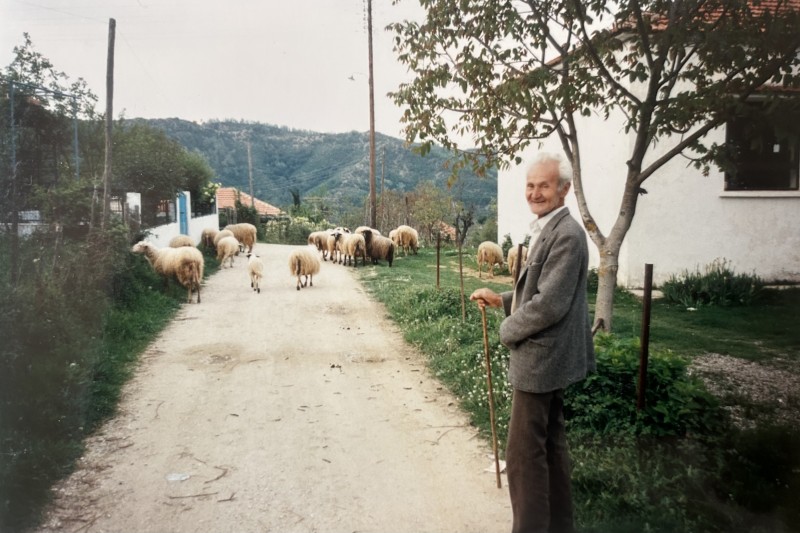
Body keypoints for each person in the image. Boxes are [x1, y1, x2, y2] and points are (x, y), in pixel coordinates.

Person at [470, 151, 595, 533]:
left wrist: (508, 329)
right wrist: (502, 300)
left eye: (544, 185)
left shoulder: (567, 235)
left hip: (542, 359)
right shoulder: (550, 227)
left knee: (523, 455)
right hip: (549, 357)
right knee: (550, 447)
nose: (535, 193)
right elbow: (536, 290)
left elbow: (549, 304)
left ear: (564, 189)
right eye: (530, 185)